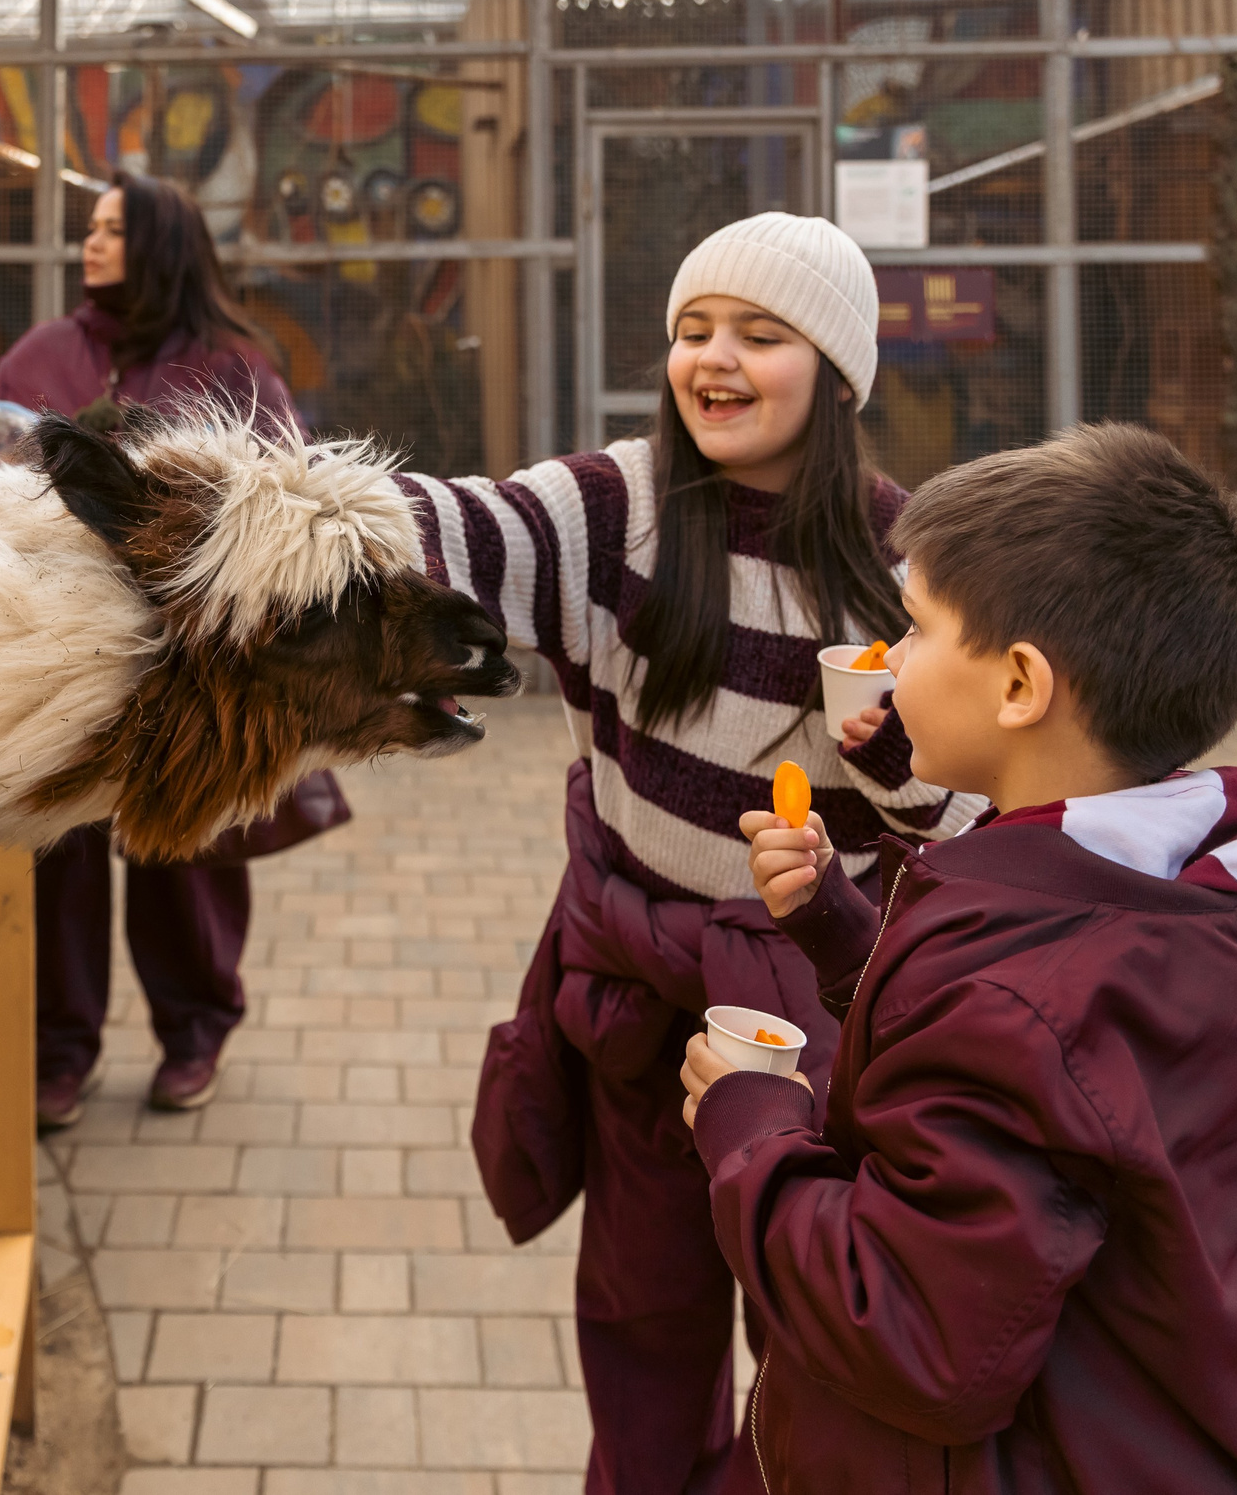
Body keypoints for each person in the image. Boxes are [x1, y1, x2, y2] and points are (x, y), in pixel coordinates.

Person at [418, 211, 986, 1495]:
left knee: (817, 1347)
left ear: (836, 374)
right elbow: (451, 533)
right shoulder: (610, 509)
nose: (712, 359)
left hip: (816, 1030)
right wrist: (269, 513)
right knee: (641, 1325)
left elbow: (964, 830)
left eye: (760, 334)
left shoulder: (914, 569)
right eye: (691, 329)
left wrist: (890, 761)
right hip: (633, 1006)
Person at [692, 424, 1237, 1494]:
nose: (885, 660)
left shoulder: (1022, 992)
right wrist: (842, 931)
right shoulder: (1187, 892)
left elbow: (915, 1335)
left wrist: (752, 1127)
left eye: (916, 630)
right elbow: (1055, 1087)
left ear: (1020, 685)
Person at [0, 172, 312, 1124]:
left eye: (114, 229)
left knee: (187, 854)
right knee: (58, 854)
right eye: (89, 227)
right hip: (56, 657)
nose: (92, 243)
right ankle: (57, 1050)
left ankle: (195, 1032)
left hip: (189, 664)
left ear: (163, 241)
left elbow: (285, 498)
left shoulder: (233, 364)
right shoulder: (44, 352)